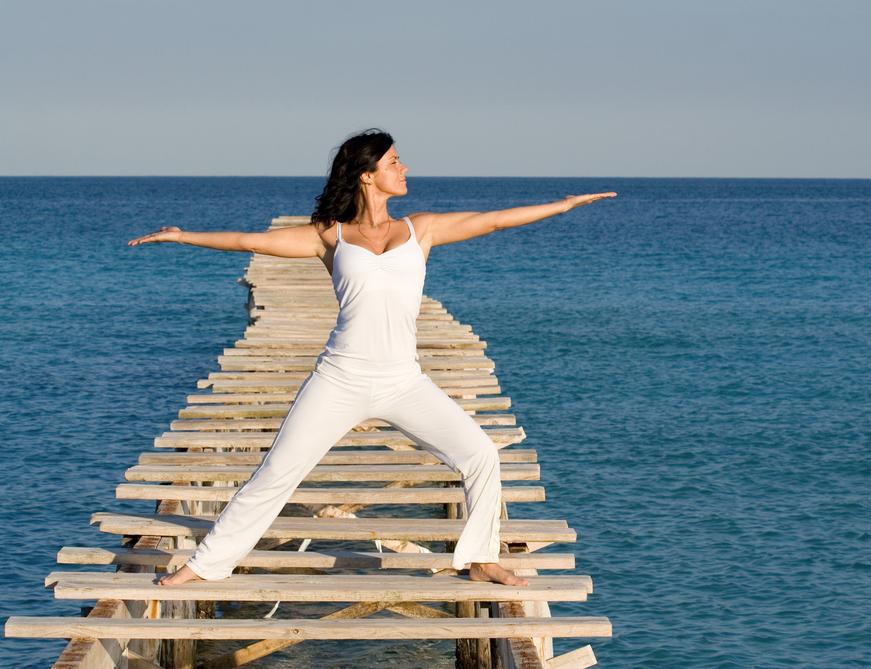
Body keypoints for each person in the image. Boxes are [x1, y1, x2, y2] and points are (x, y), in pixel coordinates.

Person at [127, 128, 616, 587]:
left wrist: (562, 206)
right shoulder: (330, 236)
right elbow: (248, 242)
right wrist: (182, 234)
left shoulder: (419, 229)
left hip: (404, 381)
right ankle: (204, 566)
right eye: (394, 162)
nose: (404, 168)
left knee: (482, 453)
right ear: (367, 174)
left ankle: (481, 559)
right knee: (277, 473)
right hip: (339, 378)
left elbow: (491, 220)